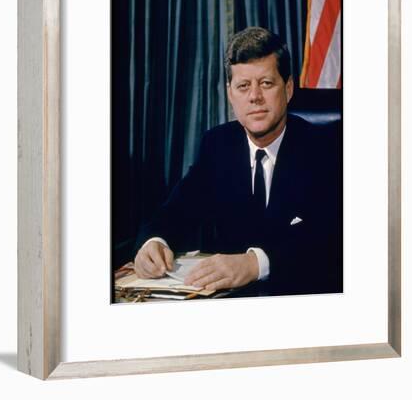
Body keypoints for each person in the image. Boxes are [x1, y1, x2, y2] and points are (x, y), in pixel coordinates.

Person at [133, 27, 342, 296]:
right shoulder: (217, 145)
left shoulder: (326, 149)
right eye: (243, 86)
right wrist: (154, 241)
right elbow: (176, 210)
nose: (254, 96)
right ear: (231, 94)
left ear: (288, 89)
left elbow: (332, 238)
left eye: (266, 83)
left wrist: (255, 263)